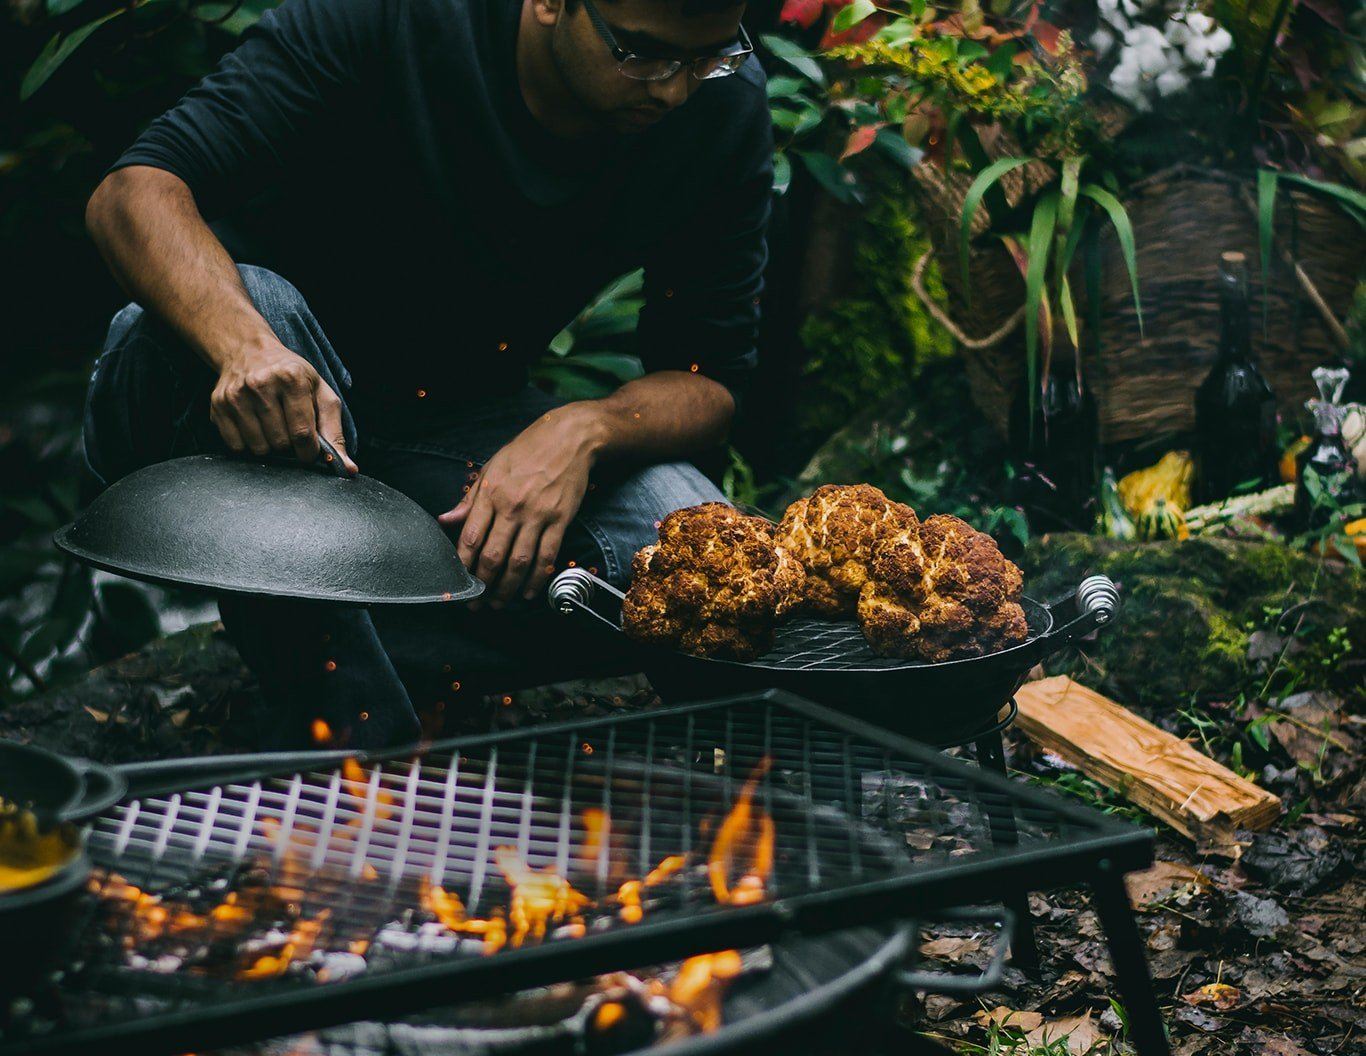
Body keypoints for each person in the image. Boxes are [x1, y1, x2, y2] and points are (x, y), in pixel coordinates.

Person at [81, 0, 773, 749]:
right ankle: (360, 754)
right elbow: (136, 192)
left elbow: (709, 377)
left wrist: (584, 429)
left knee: (694, 548)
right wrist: (247, 347)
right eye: (640, 53)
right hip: (225, 406)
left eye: (707, 57)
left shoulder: (717, 106)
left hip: (445, 431)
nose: (672, 89)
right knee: (269, 304)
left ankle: (338, 637)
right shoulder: (391, 20)